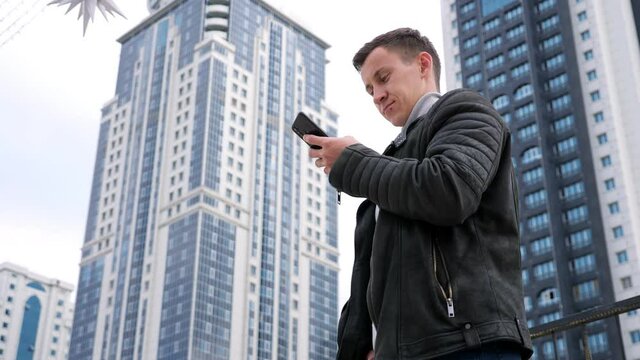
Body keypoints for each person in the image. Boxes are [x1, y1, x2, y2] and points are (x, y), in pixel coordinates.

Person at [304, 28, 533, 359]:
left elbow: (449, 190)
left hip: (466, 344)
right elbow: (373, 278)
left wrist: (353, 161)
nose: (377, 95)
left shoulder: (466, 109)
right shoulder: (392, 162)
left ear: (423, 65)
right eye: (369, 90)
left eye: (383, 78)